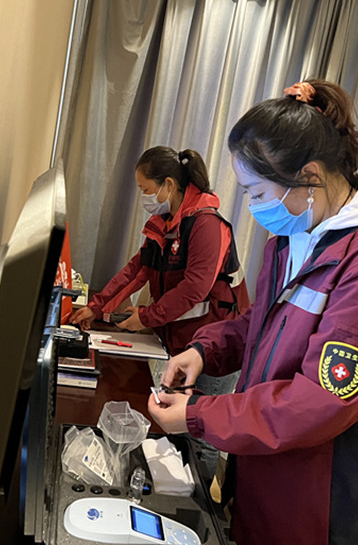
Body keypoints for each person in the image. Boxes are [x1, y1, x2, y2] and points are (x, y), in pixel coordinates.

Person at [147, 80, 358, 545]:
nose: (252, 207)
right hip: (272, 450)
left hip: (331, 486)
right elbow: (263, 321)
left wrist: (200, 415)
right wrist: (204, 351)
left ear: (309, 177)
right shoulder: (295, 233)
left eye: (257, 192)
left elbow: (320, 401)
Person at [71, 146, 250, 472]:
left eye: (146, 189)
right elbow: (138, 269)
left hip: (217, 345)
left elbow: (195, 288)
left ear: (168, 184)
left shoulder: (207, 225)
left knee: (201, 434)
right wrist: (96, 307)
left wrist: (146, 317)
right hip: (183, 340)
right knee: (177, 423)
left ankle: (198, 497)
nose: (144, 197)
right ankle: (176, 486)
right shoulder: (165, 223)